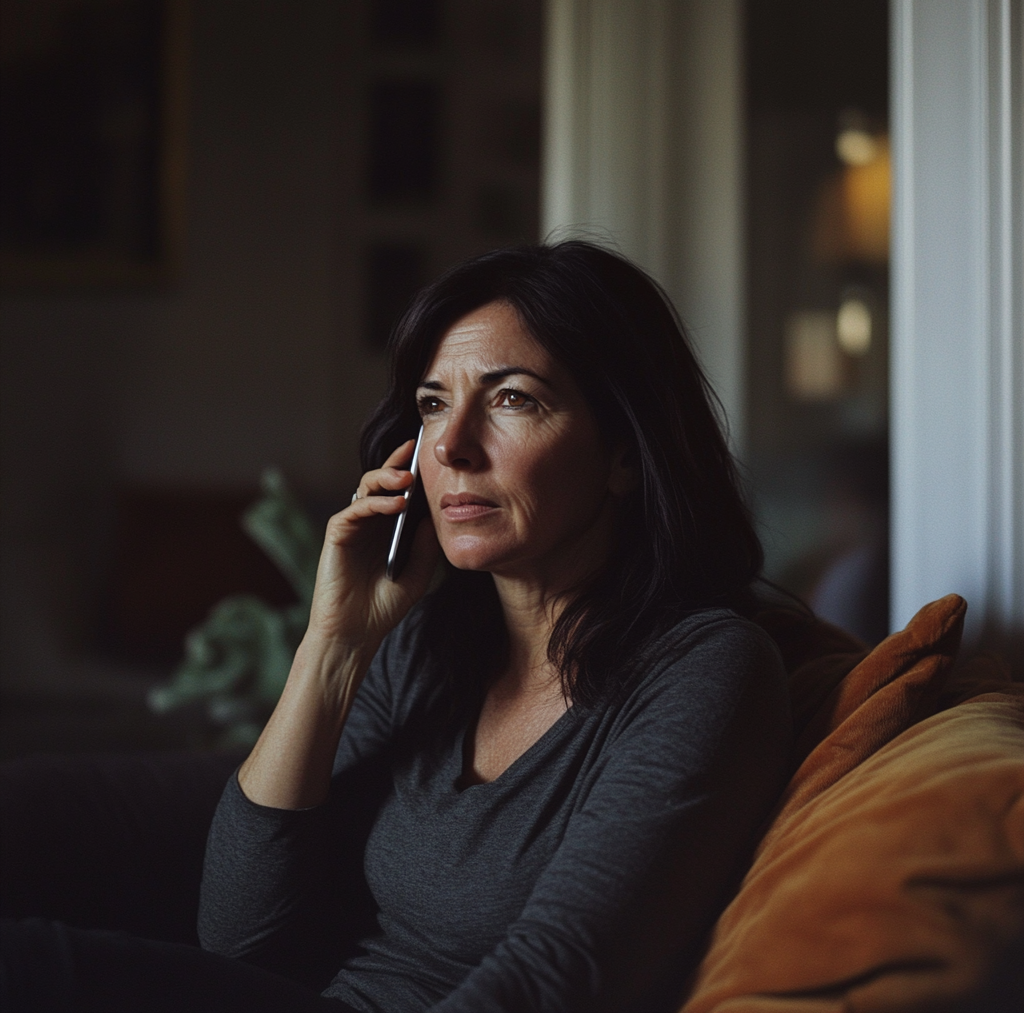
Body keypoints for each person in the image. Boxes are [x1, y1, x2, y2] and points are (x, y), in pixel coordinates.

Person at [1, 241, 791, 1012]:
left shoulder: (704, 668)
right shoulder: (426, 645)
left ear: (625, 452)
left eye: (513, 398)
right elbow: (240, 939)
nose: (451, 445)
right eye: (433, 403)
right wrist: (334, 645)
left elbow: (562, 976)